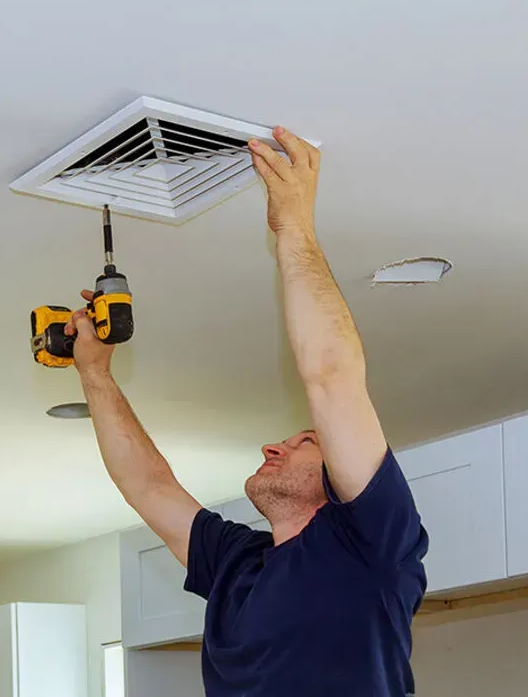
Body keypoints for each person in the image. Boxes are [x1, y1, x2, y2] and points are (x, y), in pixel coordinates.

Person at [64, 127, 429, 697]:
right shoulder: (237, 562)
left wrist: (295, 228)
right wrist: (95, 374)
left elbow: (332, 379)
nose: (273, 446)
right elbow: (148, 486)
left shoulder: (371, 542)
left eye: (304, 441)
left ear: (341, 477)